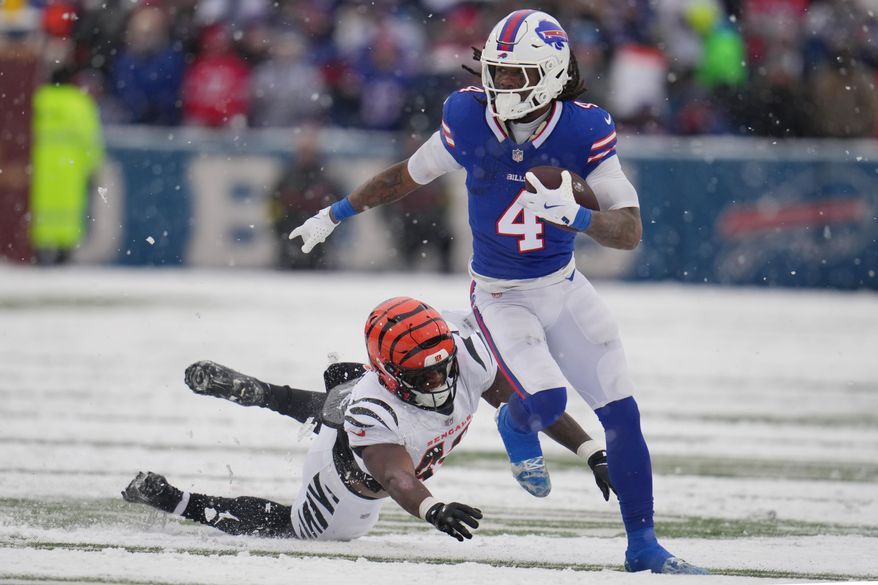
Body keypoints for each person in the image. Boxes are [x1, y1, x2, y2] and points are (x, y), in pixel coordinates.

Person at [288, 9, 706, 574]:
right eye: (497, 72)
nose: (499, 85)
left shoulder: (584, 129)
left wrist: (578, 218)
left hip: (564, 285)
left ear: (552, 73)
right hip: (501, 296)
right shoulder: (469, 116)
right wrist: (335, 213)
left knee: (623, 416)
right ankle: (515, 422)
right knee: (548, 404)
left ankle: (644, 548)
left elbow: (628, 230)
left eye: (515, 75)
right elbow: (405, 176)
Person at [122, 297, 612, 542]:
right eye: (425, 372)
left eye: (443, 363)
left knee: (343, 398)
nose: (442, 375)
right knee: (299, 529)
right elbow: (395, 474)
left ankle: (280, 393)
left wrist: (593, 452)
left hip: (372, 410)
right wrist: (432, 508)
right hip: (351, 480)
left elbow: (531, 407)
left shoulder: (463, 357)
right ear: (392, 371)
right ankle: (172, 499)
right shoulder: (376, 406)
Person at [30, 67, 104, 265]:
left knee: (39, 207)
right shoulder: (79, 103)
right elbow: (90, 139)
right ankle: (64, 252)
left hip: (39, 166)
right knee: (68, 210)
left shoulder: (37, 100)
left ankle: (39, 250)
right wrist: (93, 166)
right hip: (69, 168)